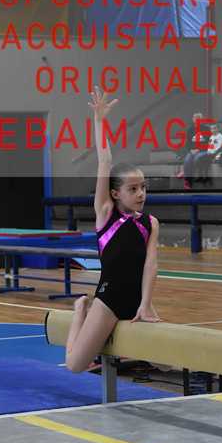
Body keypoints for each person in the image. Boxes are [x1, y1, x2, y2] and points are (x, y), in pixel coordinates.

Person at [65, 88, 160, 374]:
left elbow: (151, 266)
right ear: (116, 193)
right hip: (109, 299)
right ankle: (80, 310)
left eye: (143, 188)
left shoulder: (150, 223)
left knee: (167, 364)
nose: (141, 194)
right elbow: (105, 160)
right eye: (133, 189)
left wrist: (146, 304)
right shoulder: (106, 215)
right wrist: (99, 120)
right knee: (75, 365)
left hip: (137, 299)